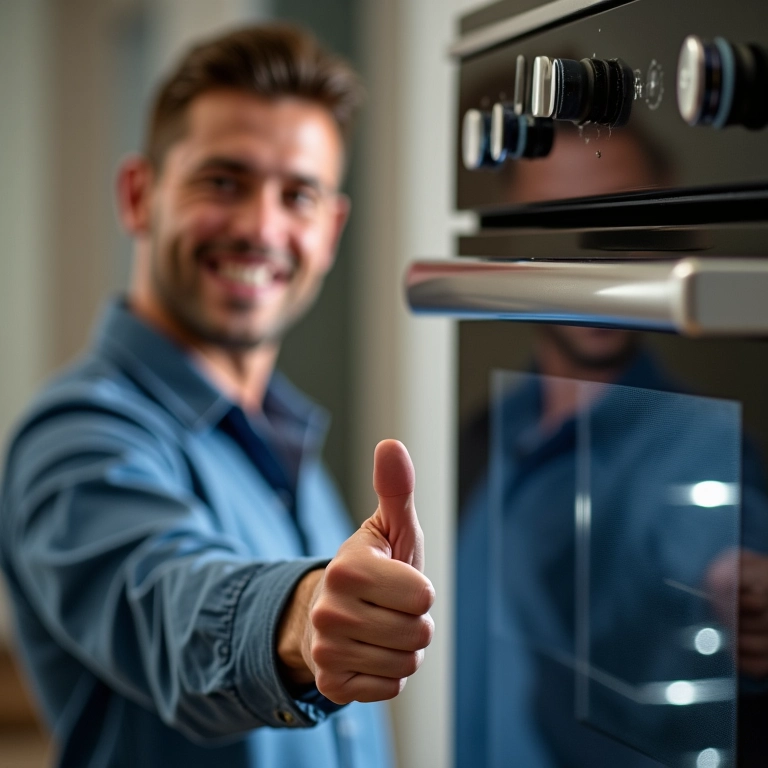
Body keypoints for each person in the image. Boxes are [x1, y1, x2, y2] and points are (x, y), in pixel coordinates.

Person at [0, 24, 434, 768]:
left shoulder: (286, 440)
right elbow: (173, 603)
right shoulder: (76, 439)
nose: (260, 227)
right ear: (140, 195)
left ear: (329, 231)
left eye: (297, 195)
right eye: (223, 181)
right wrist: (302, 617)